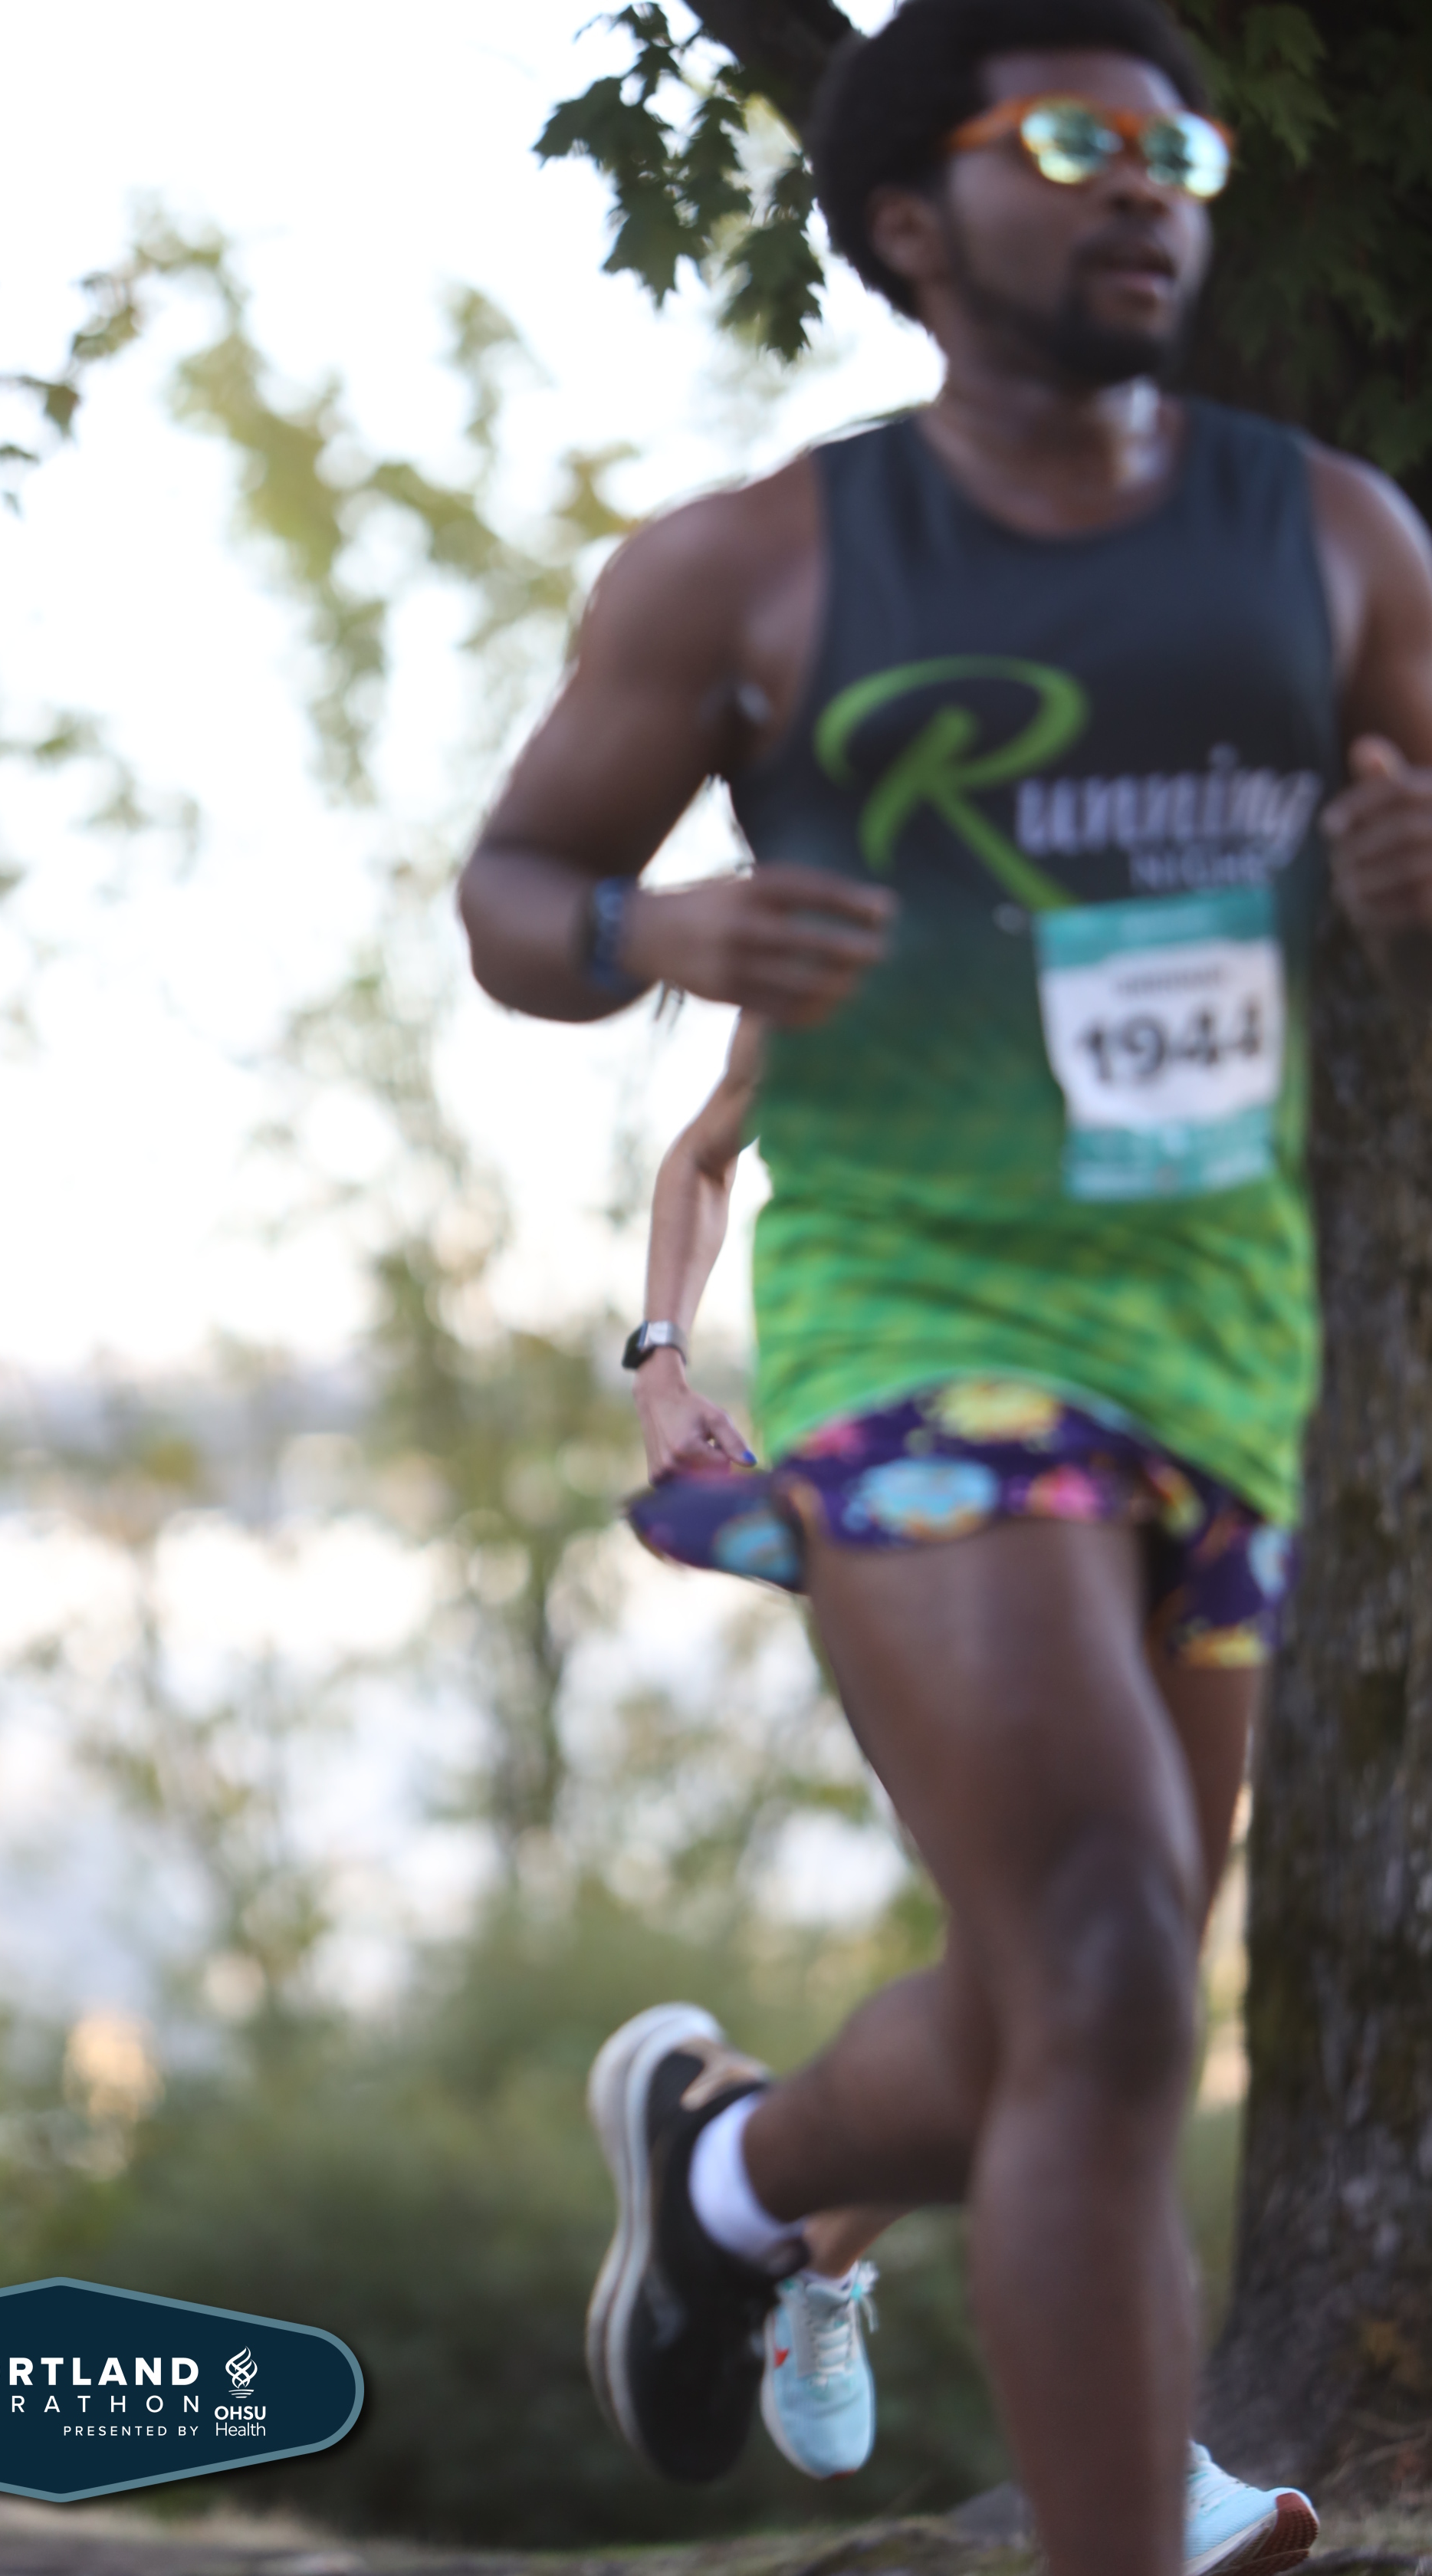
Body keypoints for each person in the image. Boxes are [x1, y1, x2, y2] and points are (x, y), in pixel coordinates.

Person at [456, 0, 1432, 2564]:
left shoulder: (1338, 543)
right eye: (1080, 137)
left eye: (1185, 144)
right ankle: (1152, 2517)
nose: (1152, 183)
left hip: (1213, 1347)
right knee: (1097, 1962)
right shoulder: (758, 570)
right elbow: (519, 894)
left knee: (1073, 1997)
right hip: (913, 1339)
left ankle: (737, 2176)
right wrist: (653, 926)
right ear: (912, 219)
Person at [622, 1009, 1315, 2562]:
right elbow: (708, 1146)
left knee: (1082, 1979)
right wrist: (659, 1357)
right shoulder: (837, 932)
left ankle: (765, 2207)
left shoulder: (1150, 902)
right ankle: (1149, 2475)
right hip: (921, 1471)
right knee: (1091, 1981)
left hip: (1162, 1448)